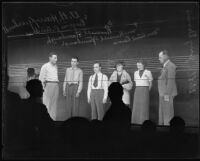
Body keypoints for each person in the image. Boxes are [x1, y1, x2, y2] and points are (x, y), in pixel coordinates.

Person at [158, 50, 177, 125]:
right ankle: (163, 128)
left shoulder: (171, 66)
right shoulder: (166, 66)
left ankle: (167, 129)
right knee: (164, 112)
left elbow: (170, 82)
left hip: (167, 94)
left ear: (165, 57)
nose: (159, 59)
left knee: (167, 113)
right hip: (163, 93)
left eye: (160, 57)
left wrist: (167, 94)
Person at [131, 59, 153, 124]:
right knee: (136, 107)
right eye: (137, 65)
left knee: (144, 107)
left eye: (140, 65)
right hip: (137, 91)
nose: (138, 66)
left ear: (143, 65)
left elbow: (150, 84)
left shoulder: (148, 72)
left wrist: (147, 91)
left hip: (145, 91)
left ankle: (143, 122)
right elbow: (136, 83)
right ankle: (135, 122)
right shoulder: (135, 73)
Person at [39, 52, 59, 121]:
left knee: (54, 105)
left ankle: (53, 120)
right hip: (48, 86)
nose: (56, 59)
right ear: (50, 58)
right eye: (55, 58)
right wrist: (42, 89)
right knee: (47, 104)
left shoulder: (56, 66)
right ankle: (46, 121)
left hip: (56, 85)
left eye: (56, 58)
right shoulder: (45, 66)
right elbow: (41, 78)